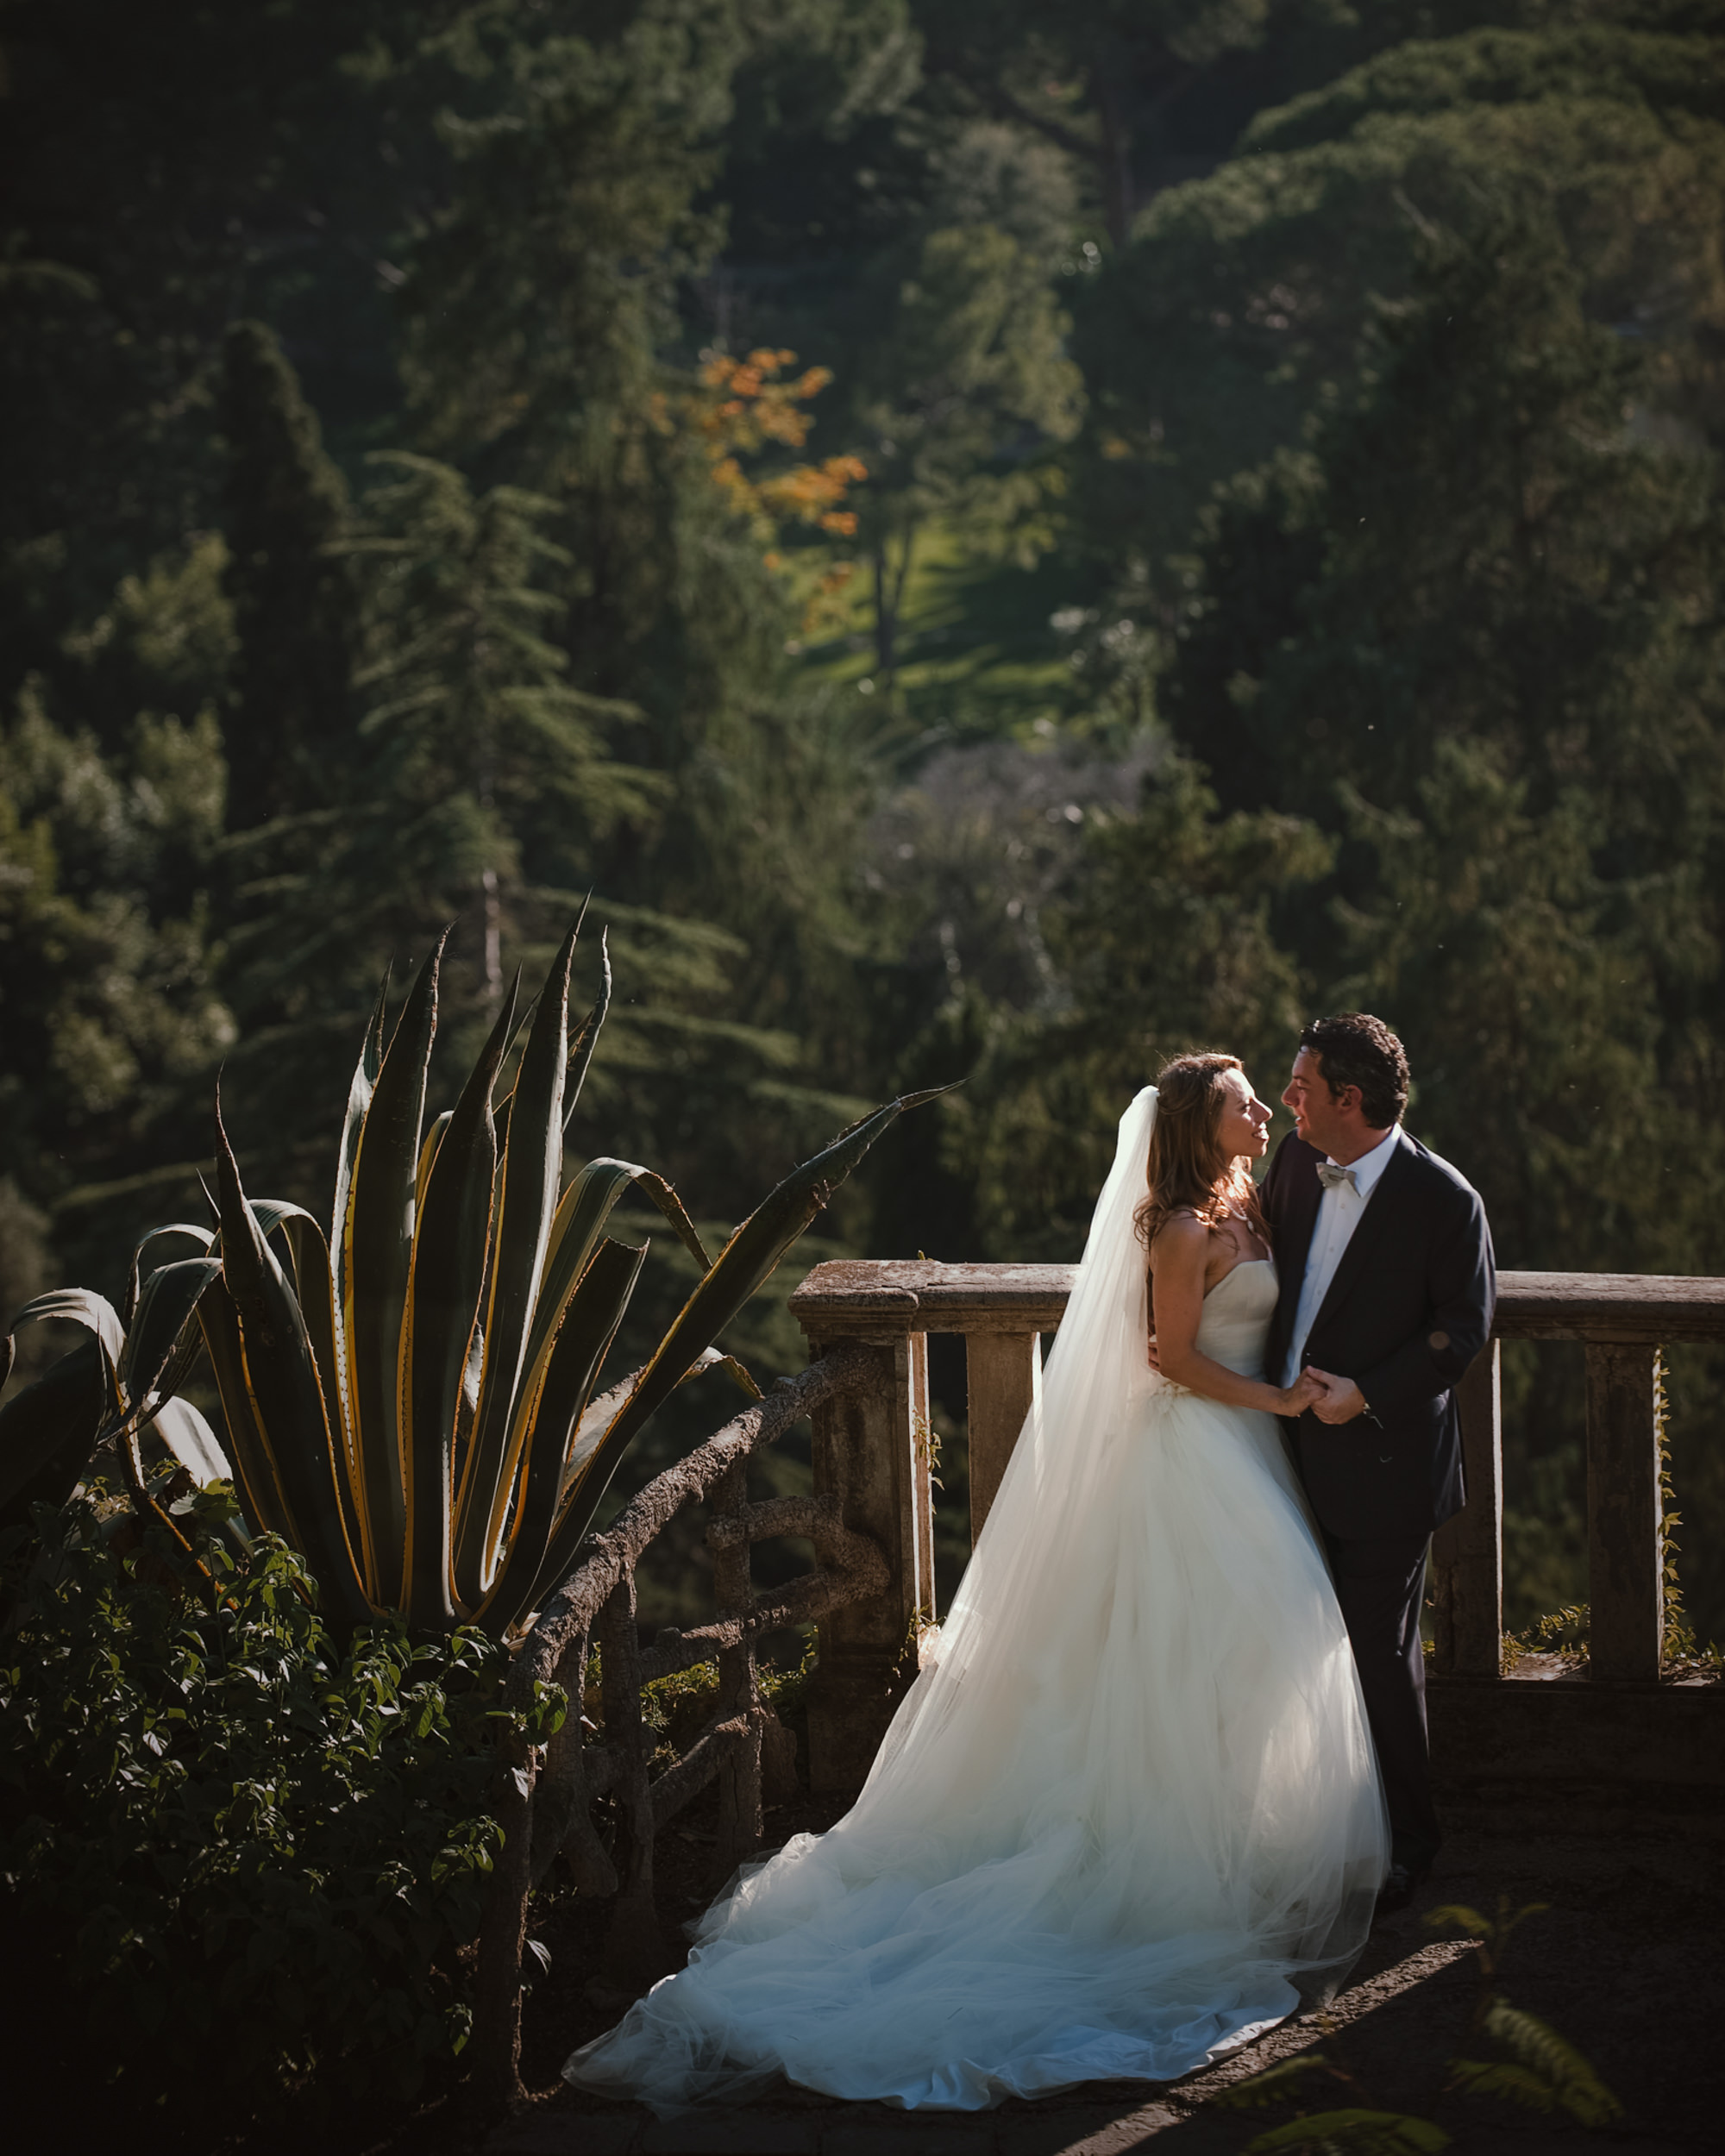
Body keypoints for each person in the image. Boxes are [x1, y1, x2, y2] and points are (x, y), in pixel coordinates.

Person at [564, 1056, 1390, 2114]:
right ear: (1200, 1124)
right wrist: (1275, 1402)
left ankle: (1237, 1843)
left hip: (1244, 1458)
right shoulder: (1179, 1231)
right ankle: (1168, 1868)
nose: (1262, 1113)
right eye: (1242, 1102)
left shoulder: (1252, 1200)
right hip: (1201, 1448)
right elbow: (1169, 1357)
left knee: (1244, 1655)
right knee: (1175, 1659)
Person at [1263, 1014, 1496, 1909]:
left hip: (1386, 1466)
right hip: (1277, 1455)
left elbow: (1460, 1331)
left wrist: (1364, 1393)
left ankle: (1407, 1842)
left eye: (1300, 1086)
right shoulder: (1289, 1161)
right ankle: (1302, 1828)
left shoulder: (1444, 1200)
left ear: (1345, 1100)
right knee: (1278, 1646)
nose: (1288, 1100)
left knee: (1376, 1654)